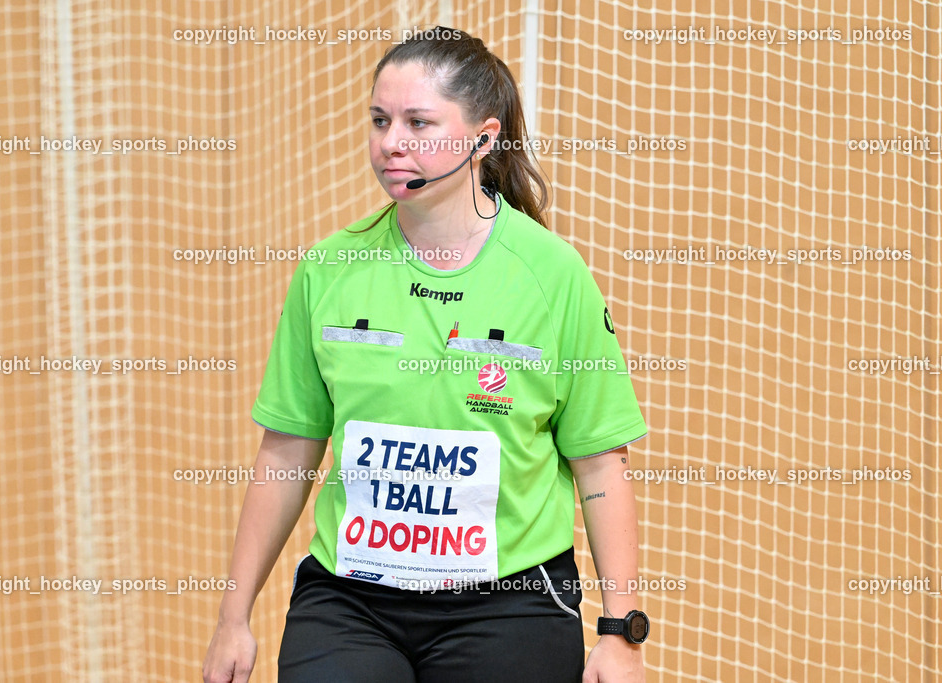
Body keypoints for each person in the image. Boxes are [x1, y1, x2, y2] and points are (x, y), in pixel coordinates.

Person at [203, 26, 649, 683]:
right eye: (381, 121)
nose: (391, 143)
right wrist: (232, 617)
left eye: (418, 122)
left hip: (509, 604)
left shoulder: (552, 276)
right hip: (351, 600)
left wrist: (621, 635)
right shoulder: (329, 269)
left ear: (483, 137)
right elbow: (287, 449)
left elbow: (599, 463)